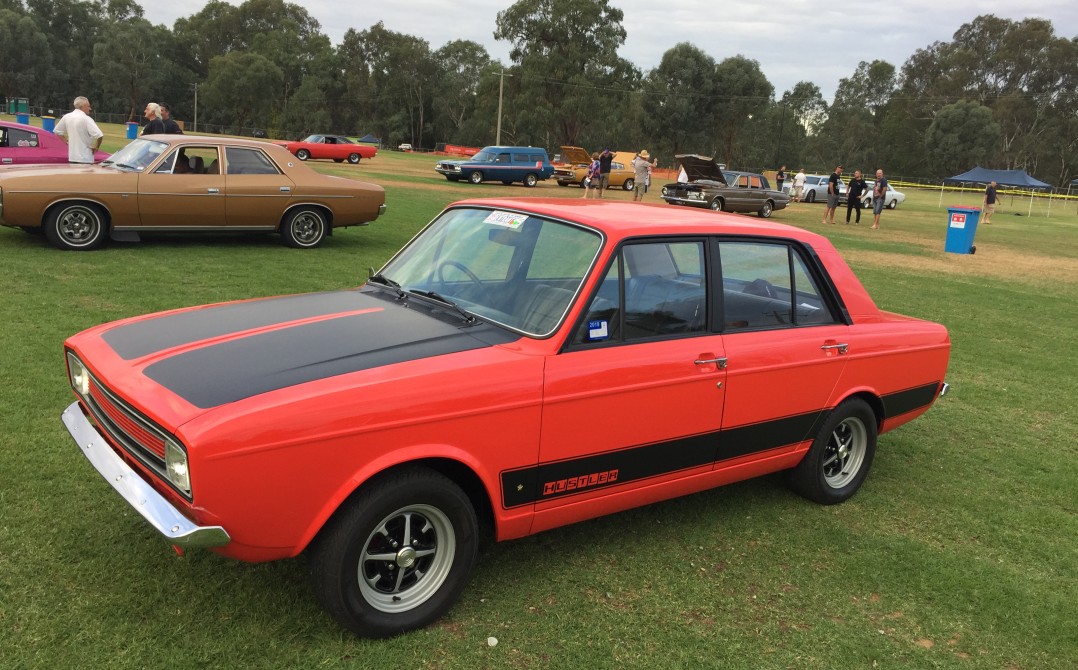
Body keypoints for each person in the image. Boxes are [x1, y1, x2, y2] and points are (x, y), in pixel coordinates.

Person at [53, 96, 104, 164]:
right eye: (88, 106)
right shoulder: (86, 119)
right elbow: (99, 135)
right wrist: (96, 148)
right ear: (83, 106)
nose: (90, 108)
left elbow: (57, 131)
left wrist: (67, 142)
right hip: (85, 159)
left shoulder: (66, 117)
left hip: (72, 157)